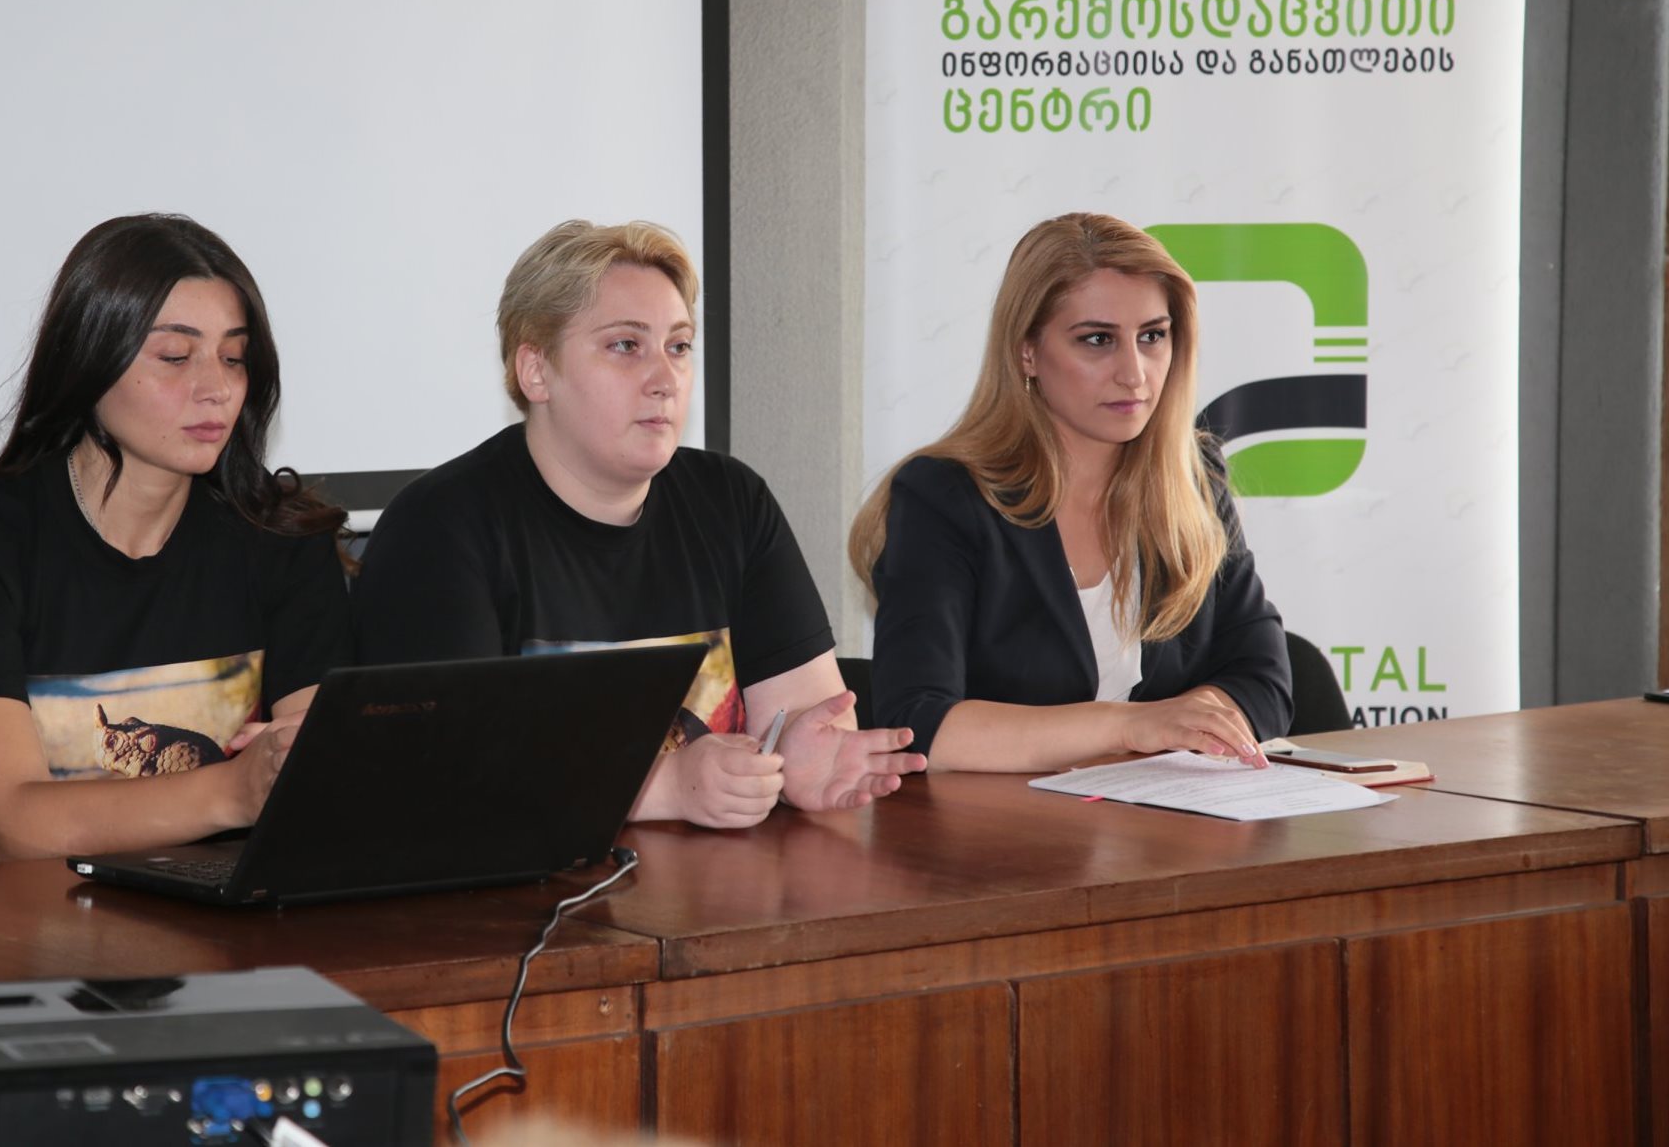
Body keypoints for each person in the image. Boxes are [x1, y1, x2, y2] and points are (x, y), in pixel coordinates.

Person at [354, 219, 925, 828]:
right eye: (626, 346)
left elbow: (808, 716)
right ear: (536, 370)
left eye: (678, 347)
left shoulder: (731, 502)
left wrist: (794, 761)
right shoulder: (439, 528)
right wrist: (663, 787)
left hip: (721, 880)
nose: (665, 380)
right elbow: (440, 777)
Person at [0, 213, 351, 866]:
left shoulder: (283, 540)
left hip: (215, 914)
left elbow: (317, 778)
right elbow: (15, 826)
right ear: (90, 361)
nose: (217, 388)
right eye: (175, 357)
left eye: (234, 358)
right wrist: (234, 790)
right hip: (10, 919)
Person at [848, 212, 1291, 772]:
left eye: (1152, 336)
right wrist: (1132, 726)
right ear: (1027, 351)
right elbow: (918, 725)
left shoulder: (1194, 476)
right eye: (1098, 340)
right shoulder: (944, 495)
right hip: (1003, 824)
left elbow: (1265, 679)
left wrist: (1192, 720)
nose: (1135, 373)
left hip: (1166, 816)